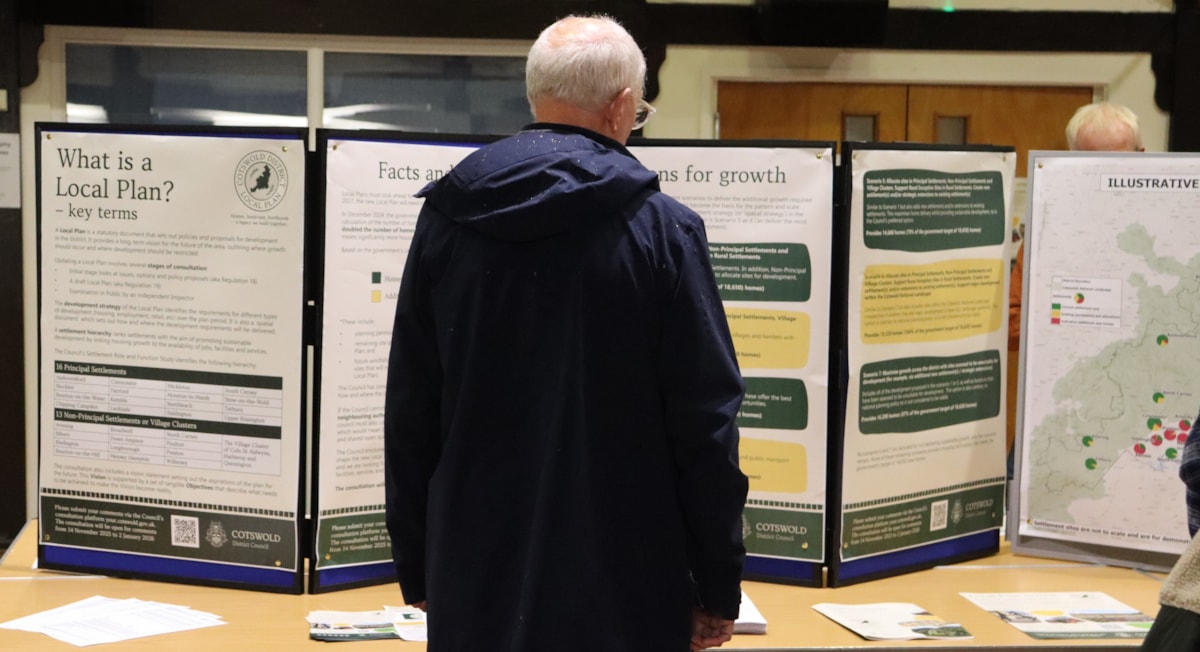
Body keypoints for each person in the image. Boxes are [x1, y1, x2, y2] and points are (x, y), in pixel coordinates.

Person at [383, 14, 749, 652]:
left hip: (476, 570)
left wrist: (417, 561)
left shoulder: (445, 219)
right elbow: (705, 426)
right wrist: (716, 585)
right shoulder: (664, 233)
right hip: (629, 577)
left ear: (534, 96)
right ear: (622, 108)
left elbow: (411, 408)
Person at [1006, 101, 1143, 474]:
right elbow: (1012, 320)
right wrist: (1073, 325)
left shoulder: (1177, 228)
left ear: (1142, 155)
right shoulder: (1046, 226)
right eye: (1090, 164)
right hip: (1058, 411)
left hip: (1145, 409)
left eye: (1118, 163)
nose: (1105, 176)